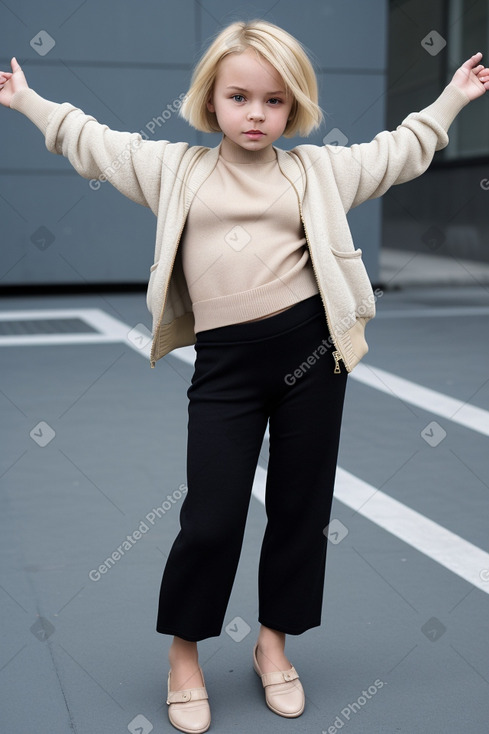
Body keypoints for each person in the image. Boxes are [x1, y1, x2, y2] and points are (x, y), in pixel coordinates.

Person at [2, 18, 488, 734]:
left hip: (312, 358)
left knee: (300, 512)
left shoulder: (316, 172)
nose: (256, 114)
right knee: (211, 516)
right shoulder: (175, 170)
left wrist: (451, 96)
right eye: (239, 97)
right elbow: (94, 143)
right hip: (226, 367)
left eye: (274, 101)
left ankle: (271, 645)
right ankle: (184, 655)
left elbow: (398, 153)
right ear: (211, 100)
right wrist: (29, 101)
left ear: (293, 108)